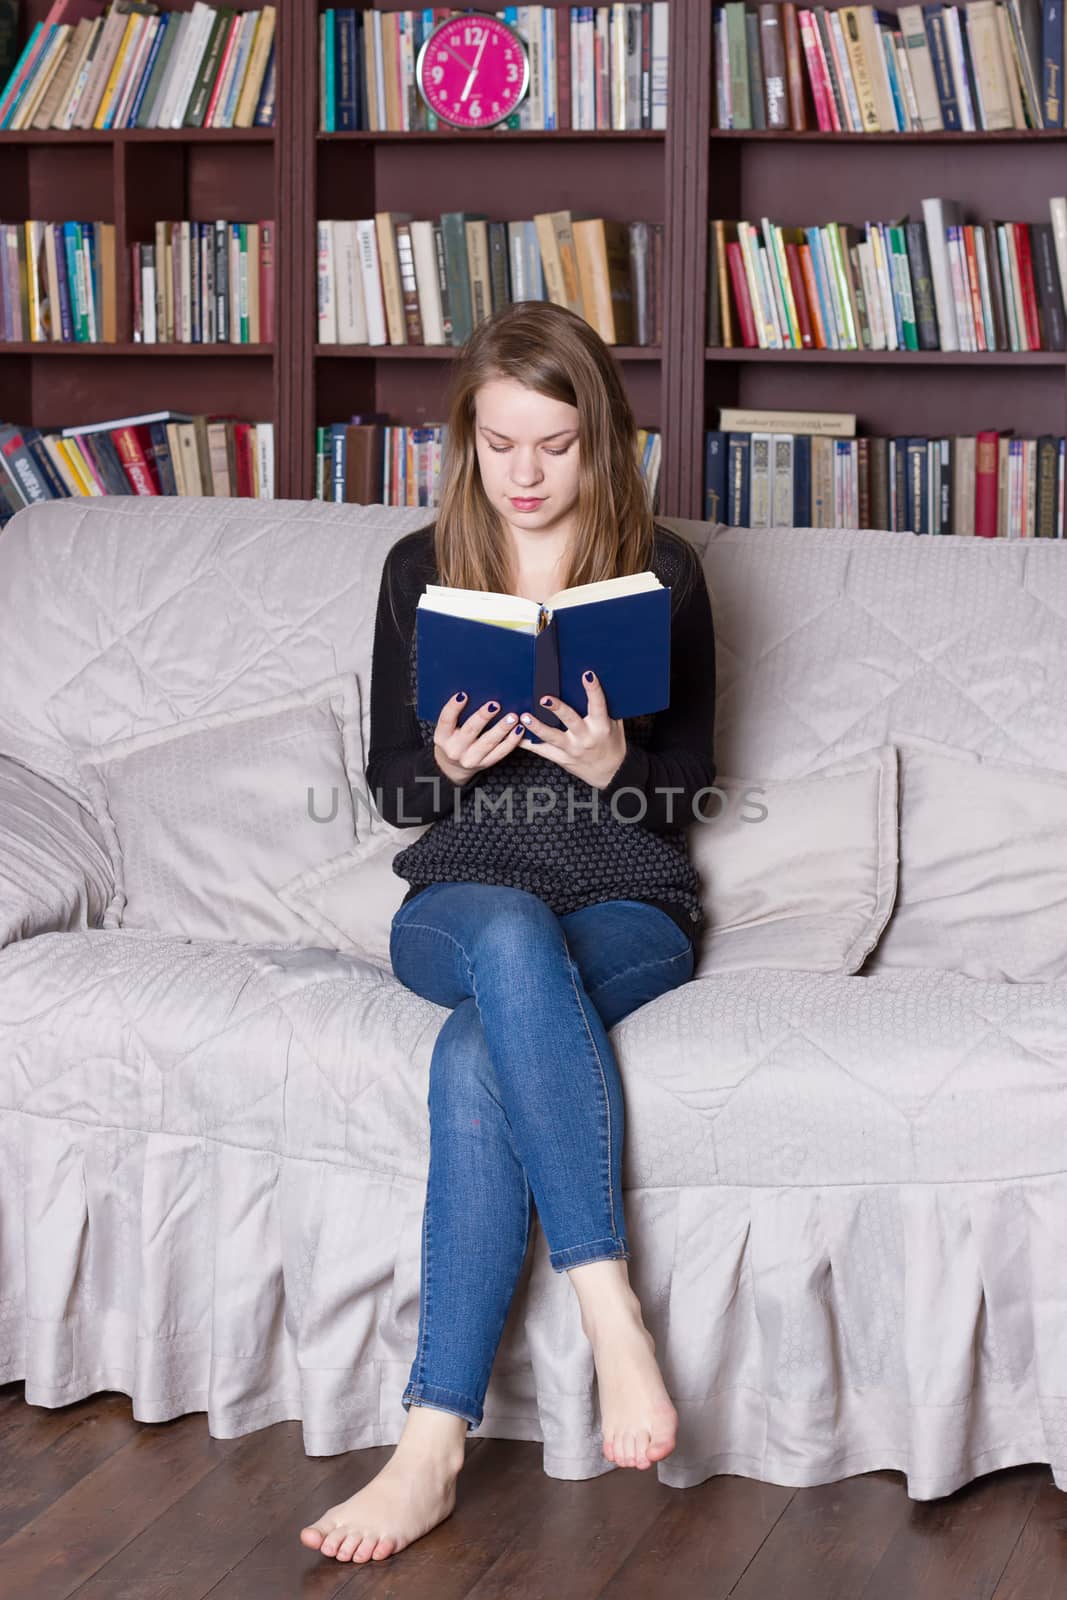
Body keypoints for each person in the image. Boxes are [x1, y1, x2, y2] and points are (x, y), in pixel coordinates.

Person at [300, 300, 717, 1566]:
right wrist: (437, 762)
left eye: (554, 445)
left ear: (601, 440)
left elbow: (688, 787)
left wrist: (612, 768)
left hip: (629, 904)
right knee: (508, 931)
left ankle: (428, 1443)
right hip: (462, 899)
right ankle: (614, 1315)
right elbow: (393, 791)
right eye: (500, 446)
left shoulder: (669, 575)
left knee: (476, 1053)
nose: (526, 475)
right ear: (465, 443)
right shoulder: (416, 571)